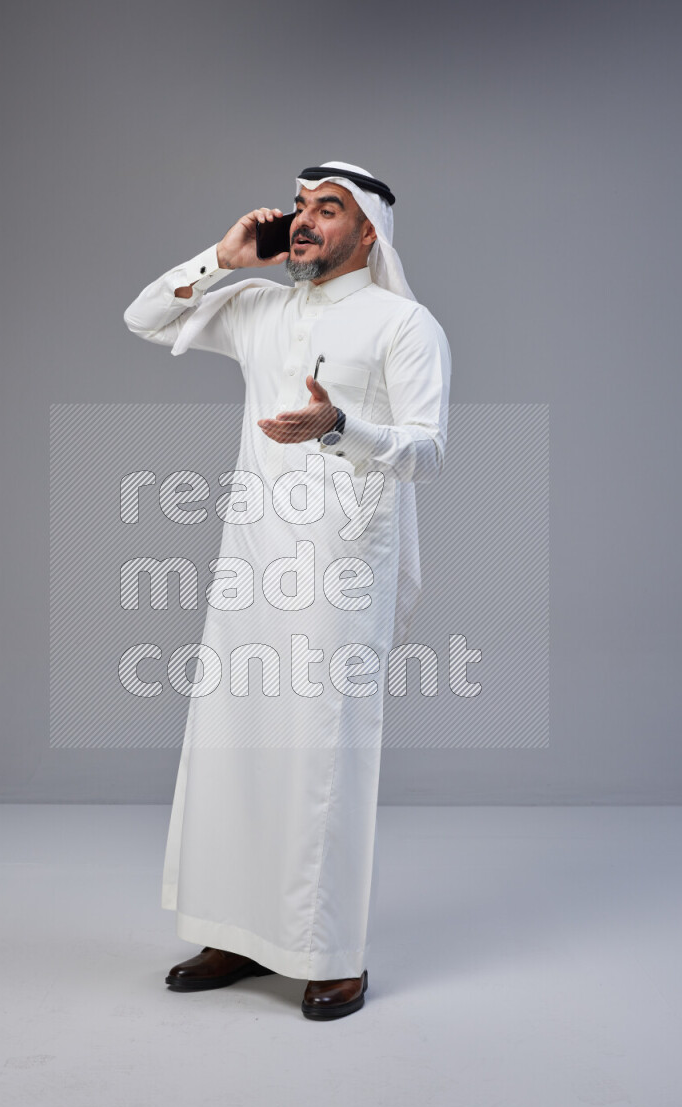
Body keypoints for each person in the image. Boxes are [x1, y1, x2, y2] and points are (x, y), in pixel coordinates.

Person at [123, 161, 451, 1020]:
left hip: (342, 566)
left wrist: (339, 426)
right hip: (251, 558)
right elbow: (146, 316)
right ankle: (236, 931)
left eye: (328, 210)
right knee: (235, 741)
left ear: (368, 232)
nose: (304, 221)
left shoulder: (403, 324)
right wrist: (226, 257)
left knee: (322, 756)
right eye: (300, 208)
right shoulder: (262, 309)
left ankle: (332, 953)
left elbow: (427, 450)